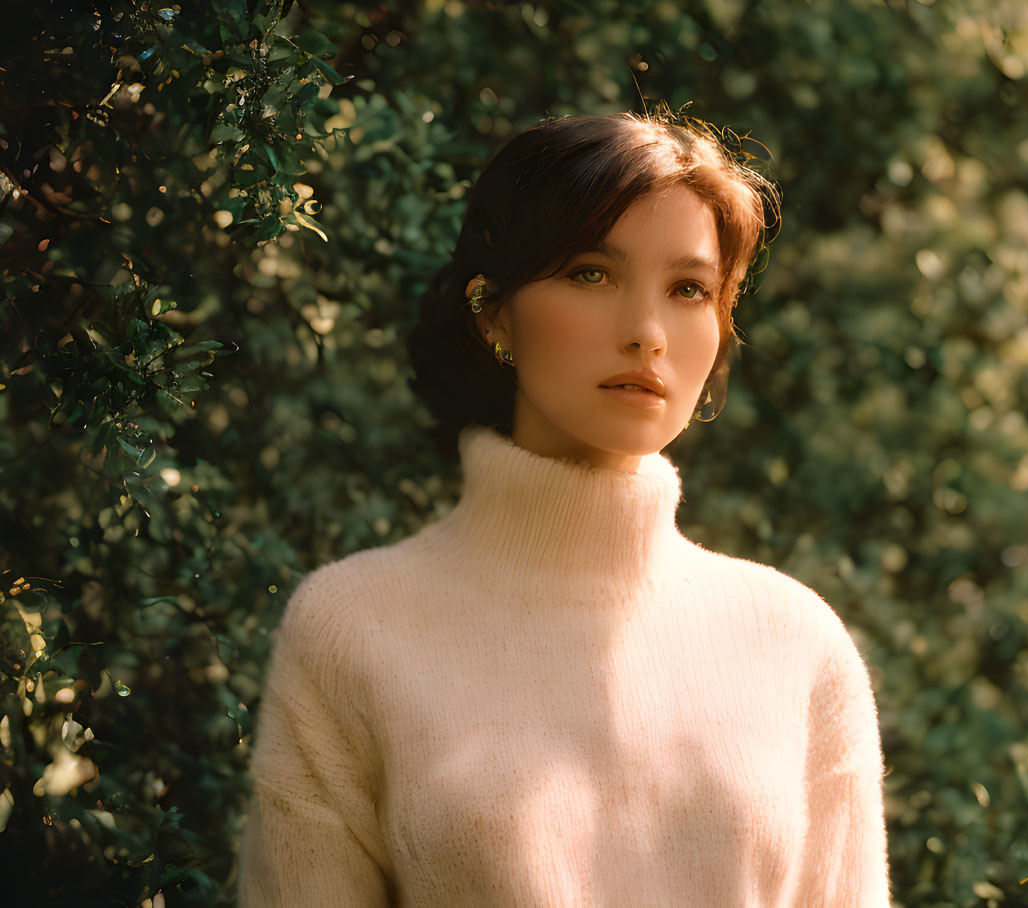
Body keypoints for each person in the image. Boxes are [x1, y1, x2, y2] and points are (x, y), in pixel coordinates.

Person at [237, 107, 890, 906]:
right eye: (591, 272)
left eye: (689, 289)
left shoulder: (796, 643)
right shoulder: (350, 626)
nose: (647, 332)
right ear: (492, 310)